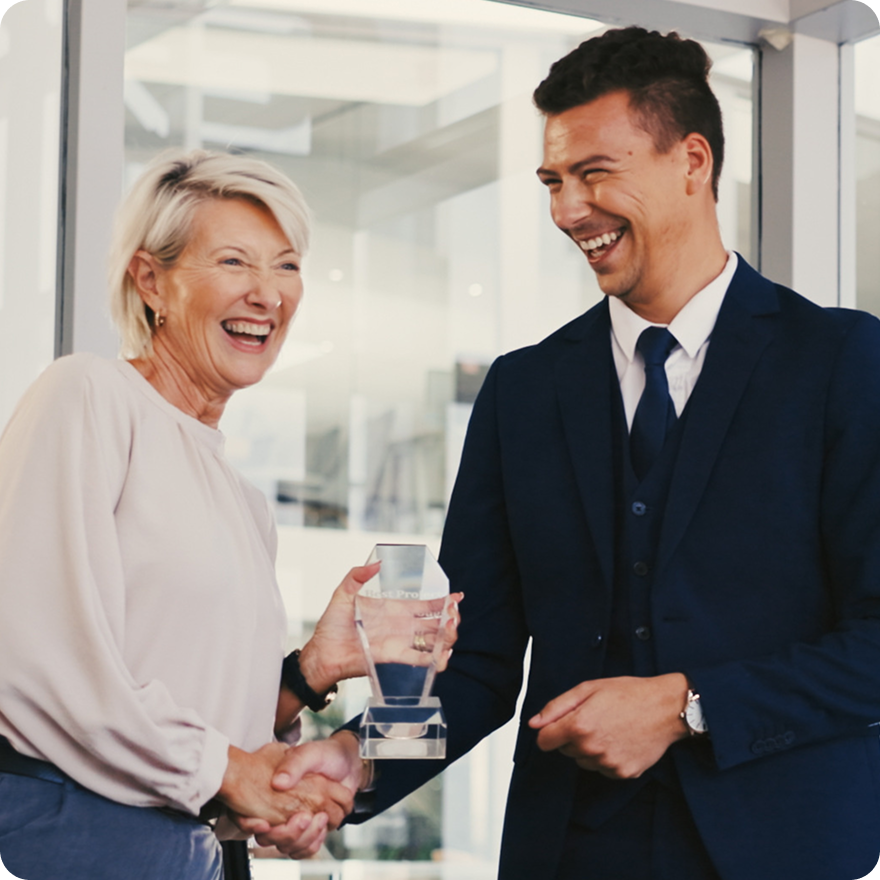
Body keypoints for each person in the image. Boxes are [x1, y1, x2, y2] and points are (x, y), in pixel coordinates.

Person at [252, 25, 880, 880]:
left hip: (789, 850)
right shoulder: (523, 391)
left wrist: (689, 705)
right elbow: (474, 660)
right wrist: (360, 758)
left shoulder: (843, 363)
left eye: (594, 174)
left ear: (692, 161)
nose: (566, 211)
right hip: (570, 853)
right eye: (553, 181)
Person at [0, 149, 459, 880]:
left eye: (285, 266)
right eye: (236, 263)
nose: (267, 293)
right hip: (70, 841)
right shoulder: (88, 396)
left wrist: (313, 674)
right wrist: (233, 773)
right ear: (151, 280)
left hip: (194, 854)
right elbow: (46, 662)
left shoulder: (243, 502)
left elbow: (208, 728)